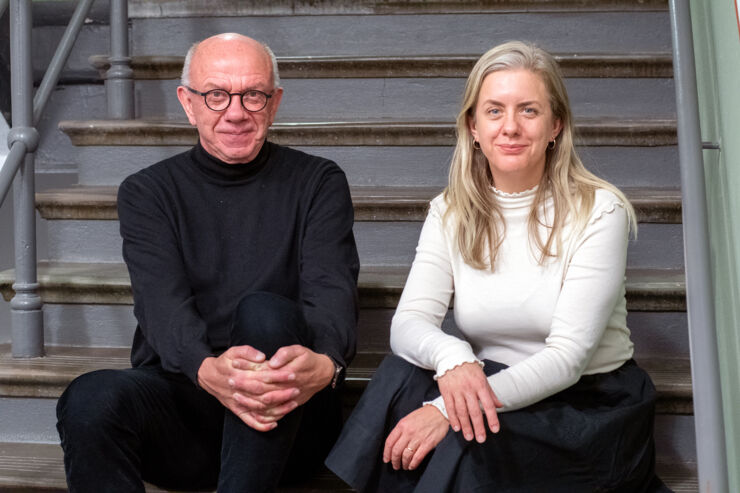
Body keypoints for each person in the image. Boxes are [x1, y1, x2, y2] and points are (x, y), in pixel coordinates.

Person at [325, 41, 669, 492]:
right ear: (472, 125)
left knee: (465, 437)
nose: (510, 127)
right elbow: (408, 323)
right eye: (494, 111)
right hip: (492, 380)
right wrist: (454, 360)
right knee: (401, 374)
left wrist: (447, 409)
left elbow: (567, 359)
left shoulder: (599, 211)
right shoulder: (450, 210)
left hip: (587, 407)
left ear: (555, 125)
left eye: (528, 110)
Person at [56, 33, 359, 492]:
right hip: (187, 411)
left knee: (265, 313)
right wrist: (205, 367)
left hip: (287, 417)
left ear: (274, 103)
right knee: (87, 399)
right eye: (216, 95)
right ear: (188, 102)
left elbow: (332, 289)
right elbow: (161, 306)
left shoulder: (318, 181)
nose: (235, 112)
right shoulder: (148, 192)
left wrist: (328, 362)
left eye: (252, 95)